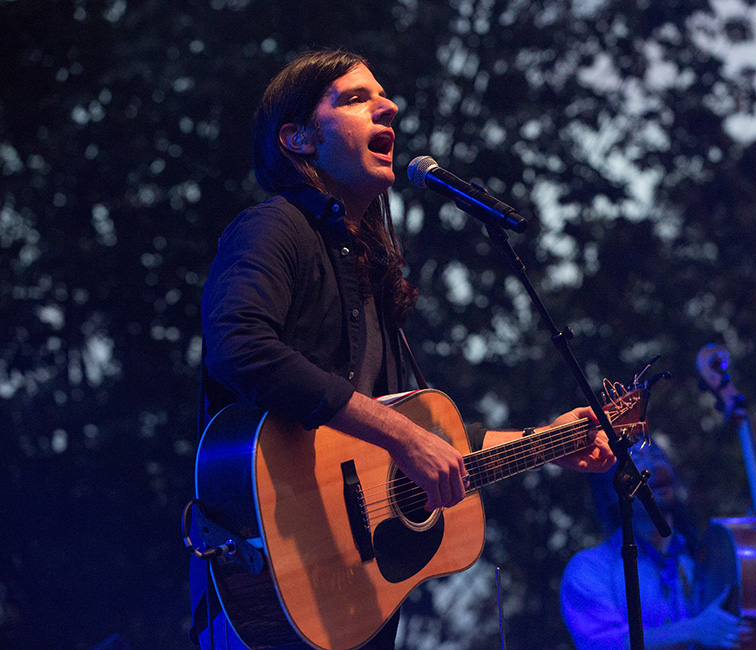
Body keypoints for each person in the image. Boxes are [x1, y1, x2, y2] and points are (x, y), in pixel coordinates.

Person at [190, 48, 615, 650]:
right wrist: (403, 437)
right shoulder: (274, 227)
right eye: (357, 99)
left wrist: (547, 443)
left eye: (383, 96)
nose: (388, 107)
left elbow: (418, 450)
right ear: (298, 139)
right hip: (271, 583)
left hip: (355, 601)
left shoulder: (368, 270)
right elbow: (239, 347)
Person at [560, 440, 756, 650]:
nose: (653, 464)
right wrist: (693, 630)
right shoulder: (589, 569)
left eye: (656, 455)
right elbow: (604, 645)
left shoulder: (700, 561)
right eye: (636, 458)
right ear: (610, 488)